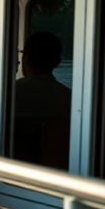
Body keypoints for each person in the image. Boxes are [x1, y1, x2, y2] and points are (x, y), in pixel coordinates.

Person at [12, 31, 71, 170]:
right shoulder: (70, 97)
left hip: (15, 172)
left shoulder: (8, 94)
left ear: (25, 59)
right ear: (58, 62)